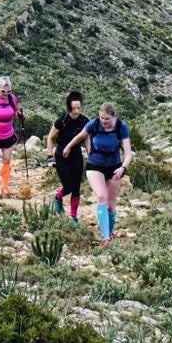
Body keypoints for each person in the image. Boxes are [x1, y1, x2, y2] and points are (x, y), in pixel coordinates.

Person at [61, 101, 132, 243]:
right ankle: (106, 238)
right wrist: (68, 146)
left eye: (107, 119)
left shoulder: (121, 127)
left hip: (114, 167)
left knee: (111, 206)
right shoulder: (93, 124)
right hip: (95, 164)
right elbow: (80, 136)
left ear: (113, 116)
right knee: (101, 196)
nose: (104, 121)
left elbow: (128, 154)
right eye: (101, 118)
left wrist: (122, 168)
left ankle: (110, 232)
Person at [48, 91, 87, 220]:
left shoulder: (84, 121)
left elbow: (87, 138)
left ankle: (74, 217)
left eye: (78, 108)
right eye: (73, 108)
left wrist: (90, 154)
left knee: (76, 188)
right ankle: (58, 197)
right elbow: (50, 137)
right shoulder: (62, 121)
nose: (76, 111)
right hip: (62, 156)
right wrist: (49, 157)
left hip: (76, 155)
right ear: (69, 107)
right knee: (68, 187)